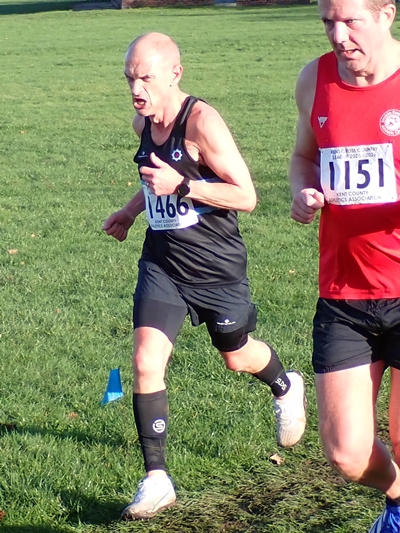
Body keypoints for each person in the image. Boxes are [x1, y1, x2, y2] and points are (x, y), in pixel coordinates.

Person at [103, 32, 306, 521]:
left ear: (175, 73)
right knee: (145, 360)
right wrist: (131, 211)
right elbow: (154, 178)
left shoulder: (202, 123)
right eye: (129, 78)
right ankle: (157, 479)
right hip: (164, 264)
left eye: (146, 78)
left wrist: (185, 186)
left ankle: (285, 385)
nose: (136, 89)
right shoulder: (142, 123)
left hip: (216, 268)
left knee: (236, 356)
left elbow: (247, 196)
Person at [289, 0, 400, 530]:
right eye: (328, 22)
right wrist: (302, 191)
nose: (338, 35)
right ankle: (398, 495)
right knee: (346, 453)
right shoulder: (315, 78)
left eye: (351, 20)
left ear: (386, 15)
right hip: (344, 293)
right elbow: (304, 156)